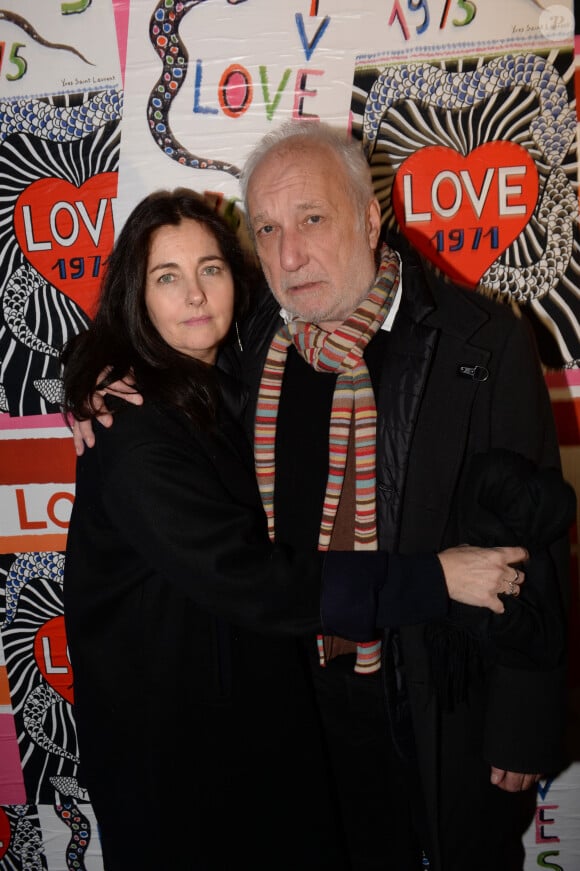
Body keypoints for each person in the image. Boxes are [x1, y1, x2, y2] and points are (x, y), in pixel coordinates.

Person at [62, 188, 530, 871]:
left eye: (210, 269)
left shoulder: (222, 376)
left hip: (252, 735)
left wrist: (84, 368)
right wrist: (436, 576)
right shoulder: (135, 438)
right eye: (167, 277)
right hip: (183, 768)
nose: (195, 294)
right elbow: (253, 579)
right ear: (137, 294)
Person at [234, 121, 571, 871]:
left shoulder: (479, 342)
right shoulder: (251, 342)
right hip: (297, 703)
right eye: (267, 229)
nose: (289, 256)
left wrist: (524, 717)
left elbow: (534, 535)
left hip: (435, 699)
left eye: (312, 219)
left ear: (368, 215)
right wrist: (100, 383)